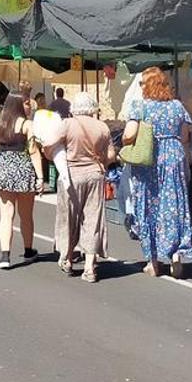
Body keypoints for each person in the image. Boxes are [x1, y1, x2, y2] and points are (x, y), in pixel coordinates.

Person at [126, 67, 192, 279]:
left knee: (149, 205)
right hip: (174, 157)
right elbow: (185, 137)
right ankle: (176, 254)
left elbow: (129, 134)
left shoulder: (140, 106)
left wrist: (127, 141)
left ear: (147, 85)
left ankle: (153, 262)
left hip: (150, 158)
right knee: (174, 204)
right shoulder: (177, 106)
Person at [52, 92, 115, 282]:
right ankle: (89, 267)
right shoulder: (102, 126)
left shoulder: (68, 124)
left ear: (74, 108)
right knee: (92, 219)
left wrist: (53, 156)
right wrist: (100, 161)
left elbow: (49, 143)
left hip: (71, 175)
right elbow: (111, 154)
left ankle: (68, 258)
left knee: (69, 217)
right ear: (93, 108)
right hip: (95, 175)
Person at [0, 93, 44, 269]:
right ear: (18, 105)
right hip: (24, 171)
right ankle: (28, 250)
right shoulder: (27, 125)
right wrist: (40, 177)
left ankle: (5, 256)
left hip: (4, 171)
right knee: (26, 215)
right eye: (25, 103)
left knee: (6, 215)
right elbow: (33, 151)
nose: (29, 106)